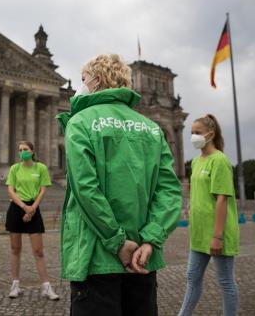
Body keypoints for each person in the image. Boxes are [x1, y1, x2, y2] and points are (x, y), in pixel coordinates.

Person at [56, 54, 182, 316]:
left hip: (96, 257)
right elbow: (169, 191)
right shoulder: (152, 128)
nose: (81, 85)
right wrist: (150, 241)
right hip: (143, 258)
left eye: (84, 79)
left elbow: (85, 188)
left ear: (97, 79)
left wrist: (117, 241)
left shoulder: (80, 122)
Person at [178, 114, 239, 316]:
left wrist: (217, 236)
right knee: (192, 278)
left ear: (210, 134)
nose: (193, 136)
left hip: (217, 232)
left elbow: (222, 199)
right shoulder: (196, 162)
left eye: (197, 133)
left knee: (225, 282)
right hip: (199, 232)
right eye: (192, 133)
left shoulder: (220, 160)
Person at [5, 141, 60, 300]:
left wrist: (32, 208)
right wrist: (24, 207)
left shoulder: (40, 168)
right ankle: (15, 285)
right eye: (20, 150)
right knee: (15, 249)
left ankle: (46, 287)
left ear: (32, 151)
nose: (22, 152)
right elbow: (10, 190)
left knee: (39, 251)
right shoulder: (14, 168)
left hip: (33, 208)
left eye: (25, 150)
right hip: (16, 208)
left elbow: (43, 190)